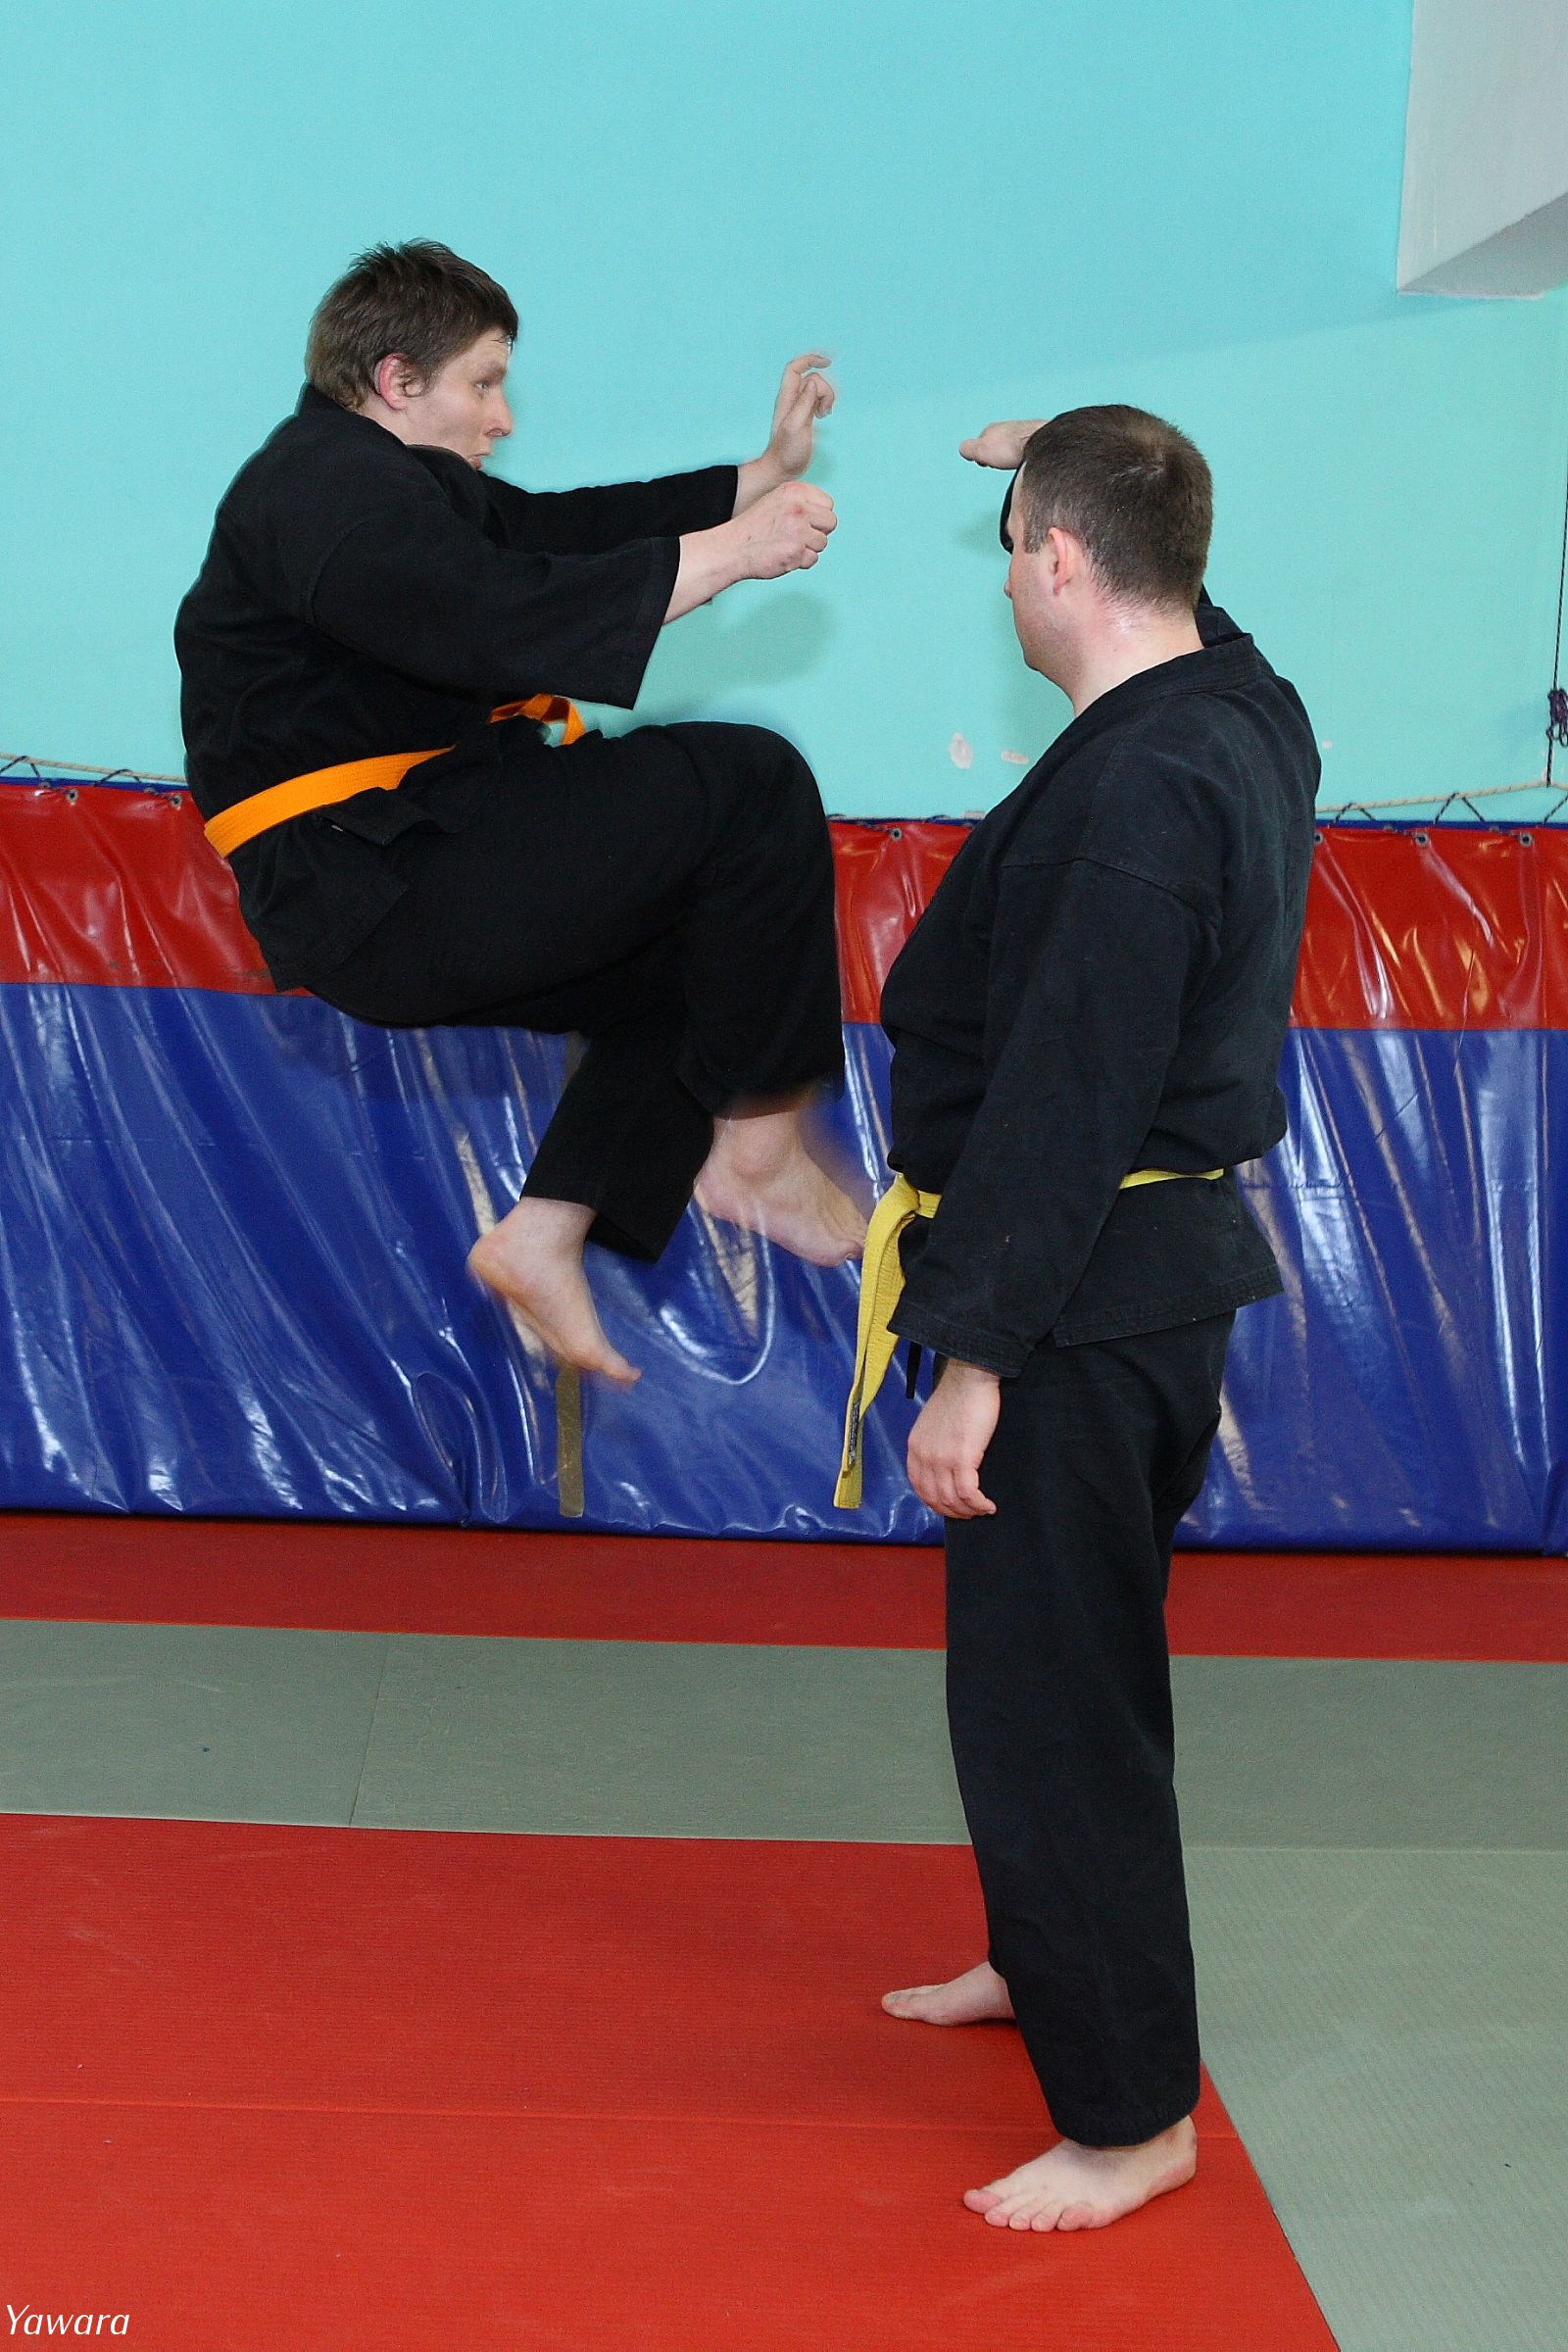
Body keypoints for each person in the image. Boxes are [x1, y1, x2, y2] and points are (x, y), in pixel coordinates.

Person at [849, 408, 1317, 2230]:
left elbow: (1069, 1093)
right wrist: (1084, 455)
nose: (1008, 589)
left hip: (1078, 1302)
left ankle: (1131, 2120)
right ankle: (1042, 1957)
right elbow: (1196, 598)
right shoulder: (1240, 714)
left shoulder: (1136, 792)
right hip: (1140, 1286)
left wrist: (974, 1361)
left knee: (1059, 1707)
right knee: (1045, 1671)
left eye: (1016, 552)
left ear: (1055, 560)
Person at [176, 240, 863, 1386]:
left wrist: (756, 475)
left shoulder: (394, 488)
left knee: (701, 953)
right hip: (377, 879)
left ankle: (546, 1230)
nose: (501, 417)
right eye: (484, 383)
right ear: (397, 380)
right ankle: (756, 1153)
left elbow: (557, 534)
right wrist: (730, 556)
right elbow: (493, 614)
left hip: (414, 866)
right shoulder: (318, 488)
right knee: (752, 780)